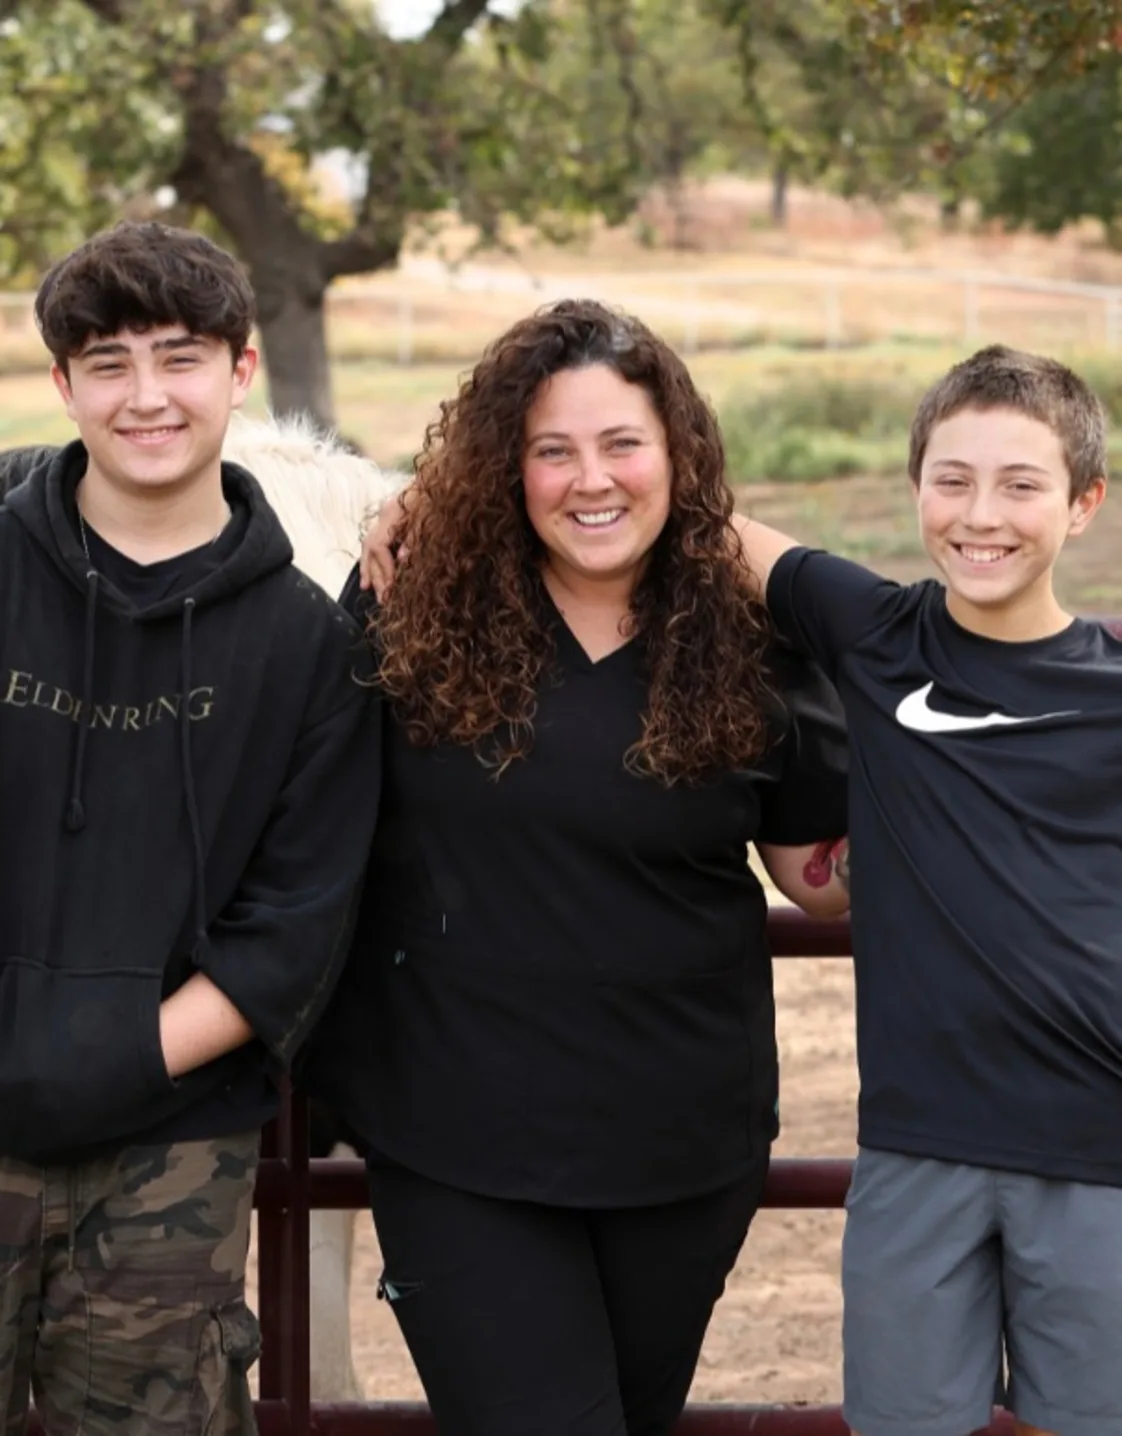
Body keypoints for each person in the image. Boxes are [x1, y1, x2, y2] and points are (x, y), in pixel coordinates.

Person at [305, 298, 850, 1436]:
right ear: (504, 465)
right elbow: (303, 813)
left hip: (683, 1142)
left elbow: (815, 870)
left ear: (676, 454)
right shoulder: (408, 613)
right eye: (550, 449)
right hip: (457, 1134)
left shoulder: (751, 635)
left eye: (621, 444)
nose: (588, 479)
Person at [645, 345, 1113, 1436]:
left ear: (1084, 504)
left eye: (1022, 483)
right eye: (951, 479)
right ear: (913, 489)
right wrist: (415, 501)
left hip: (1102, 1152)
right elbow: (679, 505)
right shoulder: (876, 632)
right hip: (919, 1146)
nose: (980, 513)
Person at [0, 221, 381, 1436]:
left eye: (180, 357)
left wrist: (107, 1059)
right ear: (61, 385)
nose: (147, 396)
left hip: (170, 1152)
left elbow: (293, 924)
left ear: (242, 368)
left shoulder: (310, 646)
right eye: (107, 363)